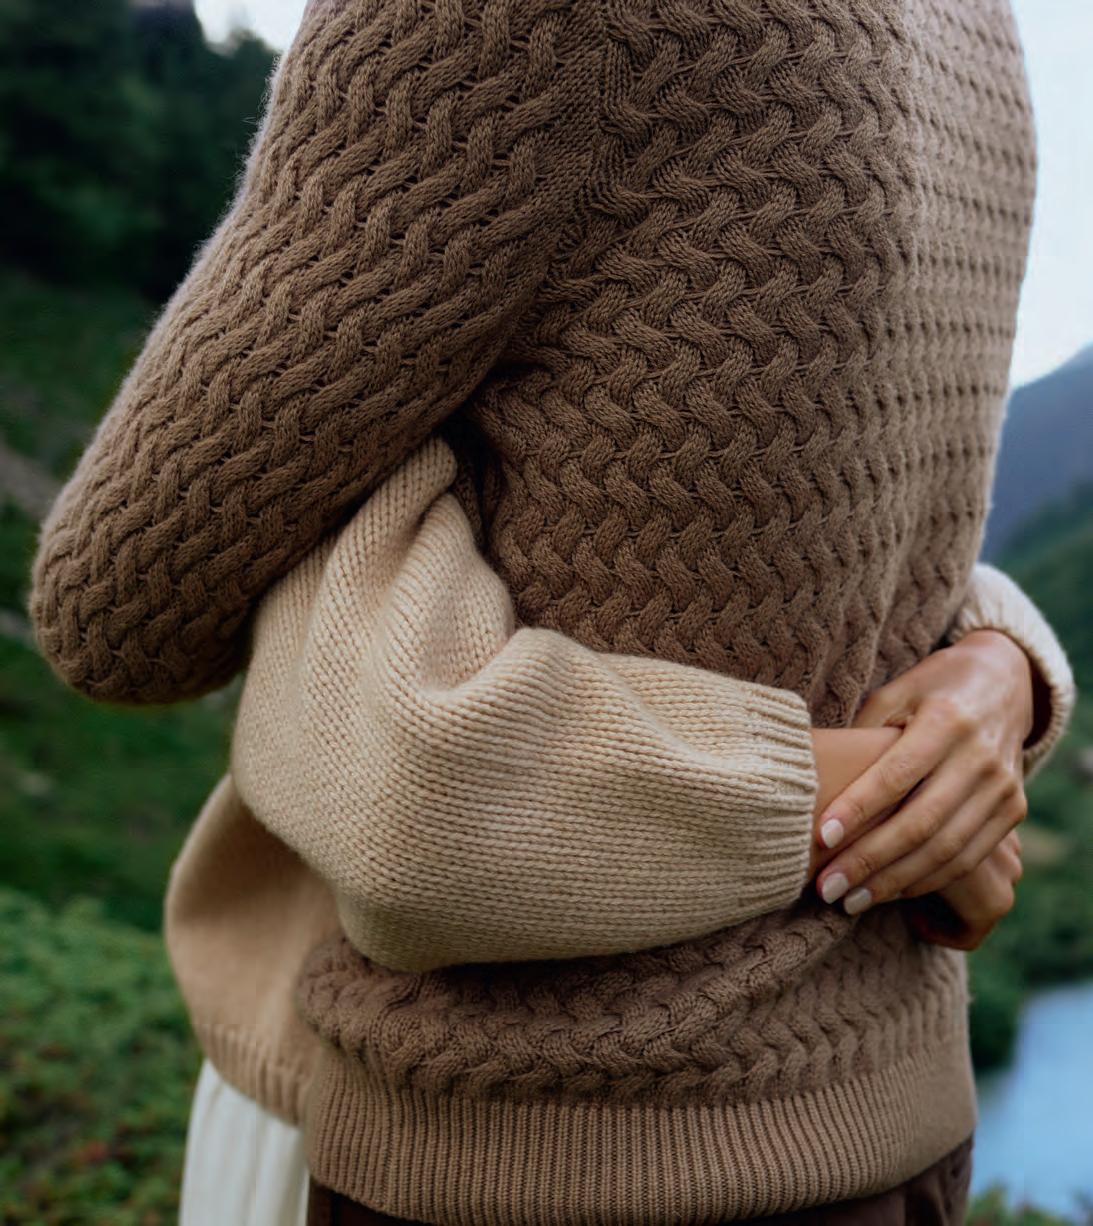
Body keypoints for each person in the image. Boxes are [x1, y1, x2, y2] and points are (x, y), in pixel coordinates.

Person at [25, 0, 1077, 1223]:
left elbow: (114, 602)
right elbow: (866, 532)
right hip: (889, 1125)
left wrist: (385, 454)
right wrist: (997, 668)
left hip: (520, 1142)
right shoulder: (977, 26)